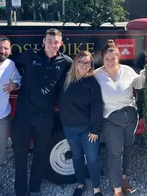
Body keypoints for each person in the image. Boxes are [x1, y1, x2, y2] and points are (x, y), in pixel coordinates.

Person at [11, 28, 72, 196]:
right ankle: (21, 191)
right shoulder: (30, 55)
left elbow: (79, 76)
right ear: (43, 42)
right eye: (49, 41)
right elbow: (8, 63)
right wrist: (13, 83)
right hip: (23, 114)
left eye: (55, 42)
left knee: (40, 153)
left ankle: (35, 188)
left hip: (45, 116)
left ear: (61, 43)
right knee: (20, 154)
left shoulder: (66, 62)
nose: (52, 45)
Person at [94, 40, 145, 196]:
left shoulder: (127, 70)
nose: (110, 62)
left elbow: (139, 84)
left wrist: (146, 71)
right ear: (103, 59)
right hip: (111, 119)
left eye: (113, 59)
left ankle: (124, 177)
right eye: (107, 59)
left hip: (130, 115)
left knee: (128, 148)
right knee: (115, 153)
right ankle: (117, 189)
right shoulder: (97, 75)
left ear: (118, 58)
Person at [59, 51, 103, 196]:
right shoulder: (66, 80)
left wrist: (95, 129)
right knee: (77, 156)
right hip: (70, 128)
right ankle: (80, 183)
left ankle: (96, 188)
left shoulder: (92, 83)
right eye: (81, 62)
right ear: (75, 63)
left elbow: (97, 107)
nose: (84, 65)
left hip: (88, 129)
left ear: (91, 65)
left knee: (92, 158)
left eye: (87, 62)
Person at [0, 37, 21, 196]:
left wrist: (14, 85)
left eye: (6, 49)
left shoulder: (10, 64)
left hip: (2, 120)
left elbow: (18, 79)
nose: (2, 51)